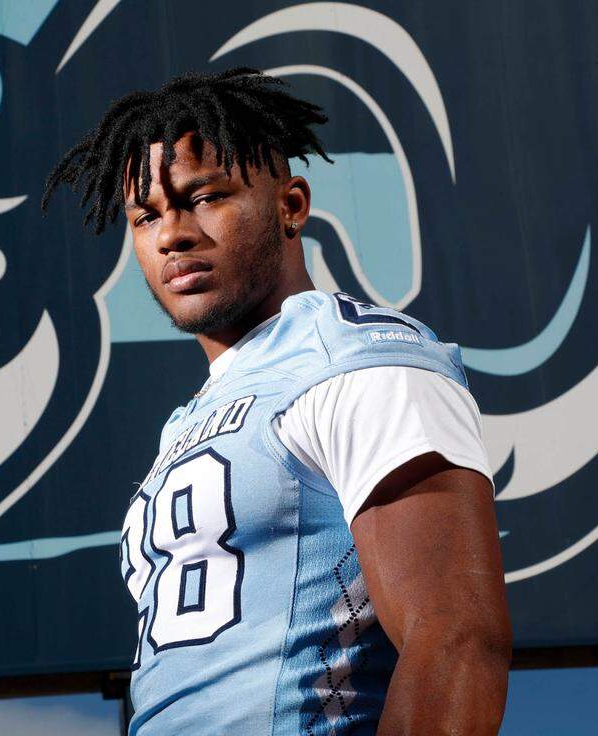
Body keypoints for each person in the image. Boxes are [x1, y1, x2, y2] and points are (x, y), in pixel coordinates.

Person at [43, 68, 511, 735]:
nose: (171, 233)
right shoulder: (188, 421)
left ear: (291, 206)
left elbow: (457, 638)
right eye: (147, 216)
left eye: (204, 197)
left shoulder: (353, 358)